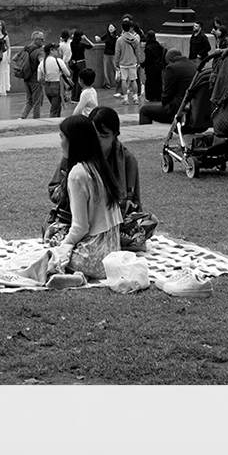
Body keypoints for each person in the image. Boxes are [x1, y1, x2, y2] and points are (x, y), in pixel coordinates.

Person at [47, 112, 124, 282]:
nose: (60, 143)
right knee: (58, 238)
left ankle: (74, 274)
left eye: (62, 137)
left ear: (73, 141)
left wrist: (64, 245)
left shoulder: (77, 174)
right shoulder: (99, 165)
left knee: (53, 245)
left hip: (93, 258)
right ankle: (77, 276)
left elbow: (80, 227)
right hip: (113, 251)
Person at [90, 102, 143, 213]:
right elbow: (53, 190)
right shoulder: (78, 154)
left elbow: (135, 204)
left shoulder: (127, 160)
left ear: (115, 135)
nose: (98, 142)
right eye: (93, 136)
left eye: (104, 136)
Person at [38, 36, 70, 116]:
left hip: (47, 87)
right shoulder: (58, 61)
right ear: (51, 51)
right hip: (57, 86)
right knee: (55, 109)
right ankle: (52, 123)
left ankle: (56, 122)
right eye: (56, 50)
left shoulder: (42, 63)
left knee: (56, 106)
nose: (58, 51)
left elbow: (39, 78)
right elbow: (68, 74)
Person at [113, 19, 142, 103]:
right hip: (133, 62)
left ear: (122, 28)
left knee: (124, 80)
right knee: (133, 80)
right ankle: (135, 98)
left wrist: (116, 63)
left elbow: (117, 53)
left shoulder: (119, 40)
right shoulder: (135, 39)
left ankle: (125, 99)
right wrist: (138, 61)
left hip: (123, 63)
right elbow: (137, 52)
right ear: (130, 28)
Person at [19, 31, 46, 119]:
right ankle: (36, 119)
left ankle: (22, 118)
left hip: (26, 77)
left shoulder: (26, 48)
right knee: (37, 101)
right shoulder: (39, 51)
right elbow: (42, 63)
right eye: (41, 39)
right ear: (36, 40)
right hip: (35, 79)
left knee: (29, 100)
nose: (43, 41)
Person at [141, 28, 167, 106]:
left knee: (150, 82)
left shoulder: (148, 47)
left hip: (150, 68)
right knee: (158, 82)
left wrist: (143, 65)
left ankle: (151, 97)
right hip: (158, 67)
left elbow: (148, 60)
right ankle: (158, 96)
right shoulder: (158, 46)